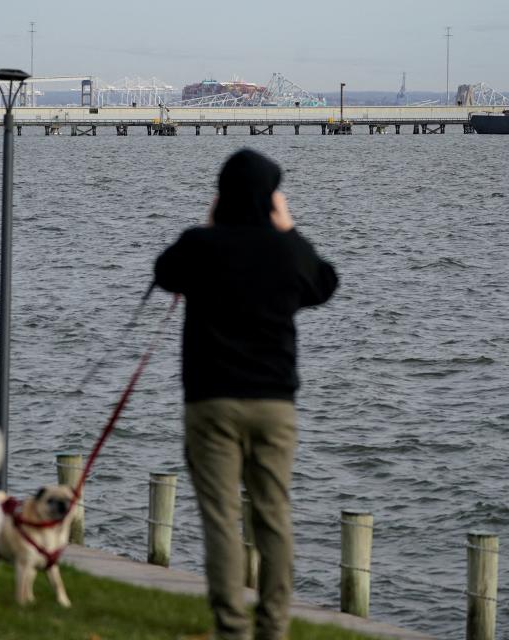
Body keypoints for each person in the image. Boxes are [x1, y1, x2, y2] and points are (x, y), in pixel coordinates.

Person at [154, 148, 337, 640]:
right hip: (274, 404)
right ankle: (273, 627)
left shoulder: (201, 244)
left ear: (222, 196)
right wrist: (290, 228)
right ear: (272, 199)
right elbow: (325, 283)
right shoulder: (287, 251)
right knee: (273, 515)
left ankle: (231, 628)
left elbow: (165, 272)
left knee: (221, 519)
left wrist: (210, 227)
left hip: (210, 401)